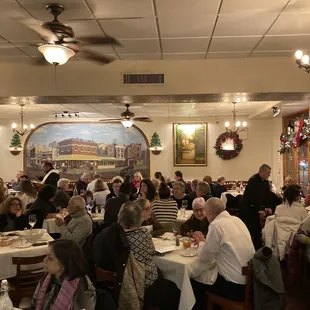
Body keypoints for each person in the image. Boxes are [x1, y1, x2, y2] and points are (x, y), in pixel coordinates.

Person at [93, 202, 180, 310]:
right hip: (142, 286)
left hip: (113, 287)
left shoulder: (108, 233)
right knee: (174, 288)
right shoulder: (143, 233)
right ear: (138, 218)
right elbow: (152, 251)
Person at [192, 198, 255, 310]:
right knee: (208, 274)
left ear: (210, 213)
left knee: (194, 280)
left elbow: (204, 257)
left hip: (235, 287)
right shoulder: (237, 220)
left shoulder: (216, 225)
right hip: (251, 283)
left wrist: (200, 242)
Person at [29, 239, 96, 310]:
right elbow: (34, 305)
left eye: (50, 258)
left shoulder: (83, 286)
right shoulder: (48, 278)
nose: (44, 260)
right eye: (46, 255)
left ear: (64, 264)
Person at [240, 164, 272, 250]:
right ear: (261, 171)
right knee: (254, 230)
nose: (269, 175)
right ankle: (252, 249)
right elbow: (252, 198)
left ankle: (260, 247)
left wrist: (267, 206)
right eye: (268, 173)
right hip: (249, 208)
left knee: (261, 229)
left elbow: (267, 195)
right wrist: (259, 210)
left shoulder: (265, 181)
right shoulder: (253, 180)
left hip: (257, 207)